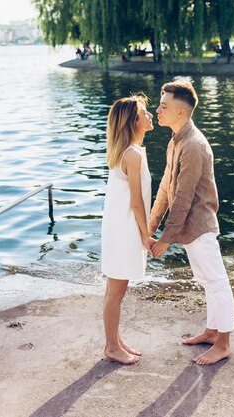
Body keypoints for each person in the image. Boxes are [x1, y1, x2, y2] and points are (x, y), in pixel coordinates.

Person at [150, 81, 234, 366]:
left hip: (199, 226)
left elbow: (184, 198)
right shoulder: (176, 140)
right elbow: (166, 187)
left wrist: (164, 239)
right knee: (206, 281)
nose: (157, 109)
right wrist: (151, 226)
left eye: (163, 105)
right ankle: (212, 331)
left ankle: (223, 343)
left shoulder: (194, 145)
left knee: (216, 282)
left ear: (181, 111)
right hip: (188, 229)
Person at [101, 94, 155, 365]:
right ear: (134, 121)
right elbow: (136, 201)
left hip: (117, 227)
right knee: (116, 291)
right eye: (144, 112)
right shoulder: (132, 154)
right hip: (123, 230)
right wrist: (146, 236)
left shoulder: (127, 151)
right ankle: (111, 347)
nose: (150, 115)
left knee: (115, 290)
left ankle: (116, 341)